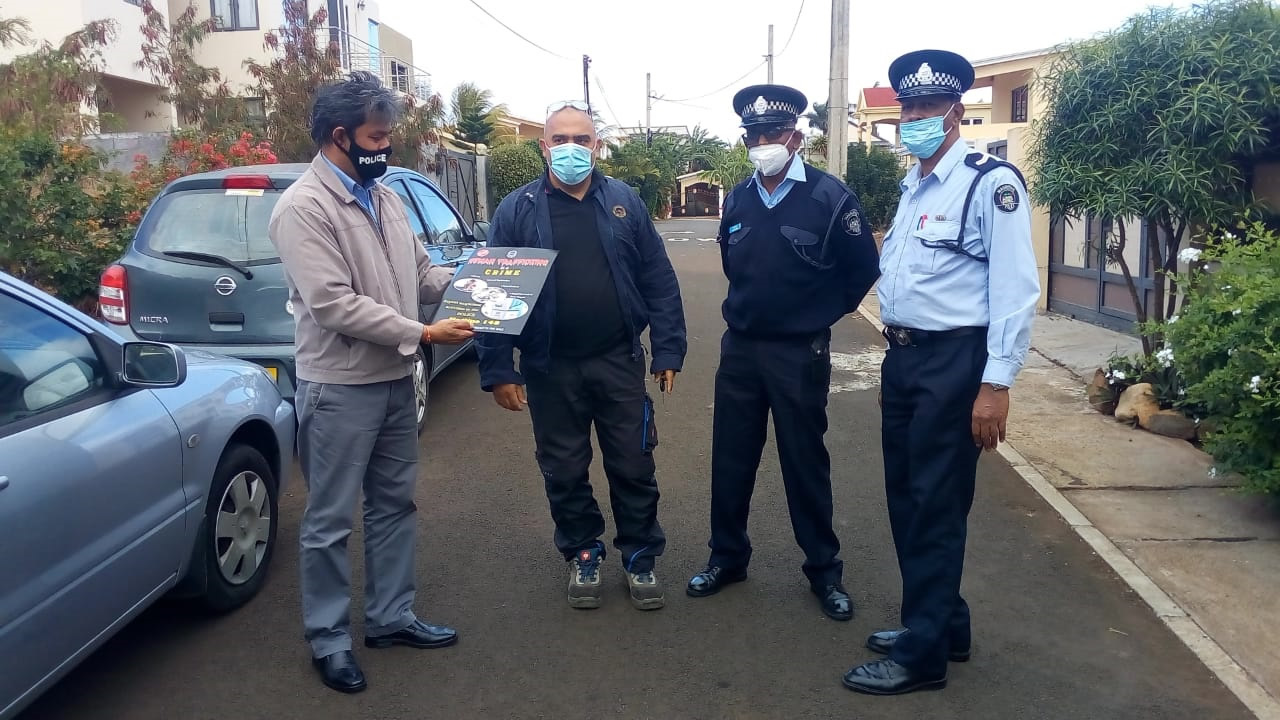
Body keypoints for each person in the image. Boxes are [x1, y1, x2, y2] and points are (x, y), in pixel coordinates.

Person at [841, 50, 1040, 696]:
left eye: (928, 108)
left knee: (935, 504)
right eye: (908, 108)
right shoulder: (915, 184)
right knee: (909, 497)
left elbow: (1015, 289)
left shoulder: (990, 183)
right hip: (906, 359)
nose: (915, 118)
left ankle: (922, 657)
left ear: (956, 112)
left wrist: (996, 383)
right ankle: (943, 625)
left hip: (956, 363)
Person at [269, 71, 475, 694]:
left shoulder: (381, 194)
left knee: (394, 504)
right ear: (340, 135)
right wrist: (424, 334)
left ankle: (390, 617)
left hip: (394, 379)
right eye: (376, 137)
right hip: (339, 387)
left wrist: (490, 283)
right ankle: (329, 640)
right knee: (330, 520)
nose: (386, 148)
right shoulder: (303, 207)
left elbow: (421, 271)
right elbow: (333, 305)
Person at [477, 100, 687, 611]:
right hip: (550, 367)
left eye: (583, 139)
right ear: (544, 147)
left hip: (617, 361)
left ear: (597, 146)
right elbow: (492, 290)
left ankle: (640, 555)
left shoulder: (623, 202)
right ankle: (584, 552)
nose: (572, 148)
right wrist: (498, 367)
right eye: (561, 139)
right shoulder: (517, 209)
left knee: (634, 464)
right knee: (564, 468)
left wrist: (668, 347)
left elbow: (657, 278)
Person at [686, 85, 880, 621]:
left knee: (804, 463)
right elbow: (734, 260)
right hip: (741, 350)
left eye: (772, 133)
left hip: (799, 354)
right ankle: (727, 557)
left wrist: (818, 315)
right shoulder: (741, 197)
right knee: (731, 458)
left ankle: (824, 572)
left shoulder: (828, 195)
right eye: (753, 134)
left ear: (796, 135)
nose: (761, 142)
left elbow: (862, 268)